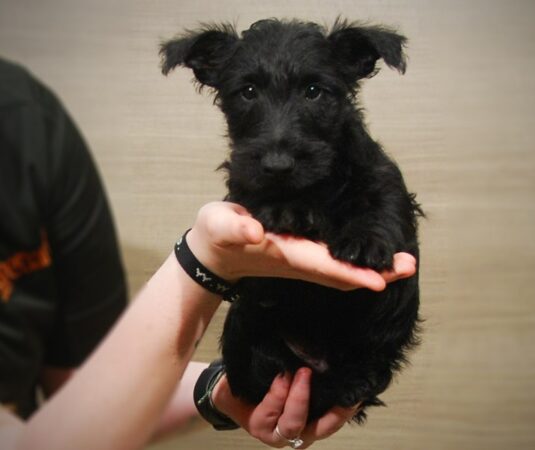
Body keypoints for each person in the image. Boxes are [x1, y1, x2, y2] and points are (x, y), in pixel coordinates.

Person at [0, 59, 417, 449]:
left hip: (345, 344)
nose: (276, 147)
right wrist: (204, 262)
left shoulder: (33, 125)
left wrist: (216, 391)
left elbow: (81, 387)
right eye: (249, 92)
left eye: (311, 92)